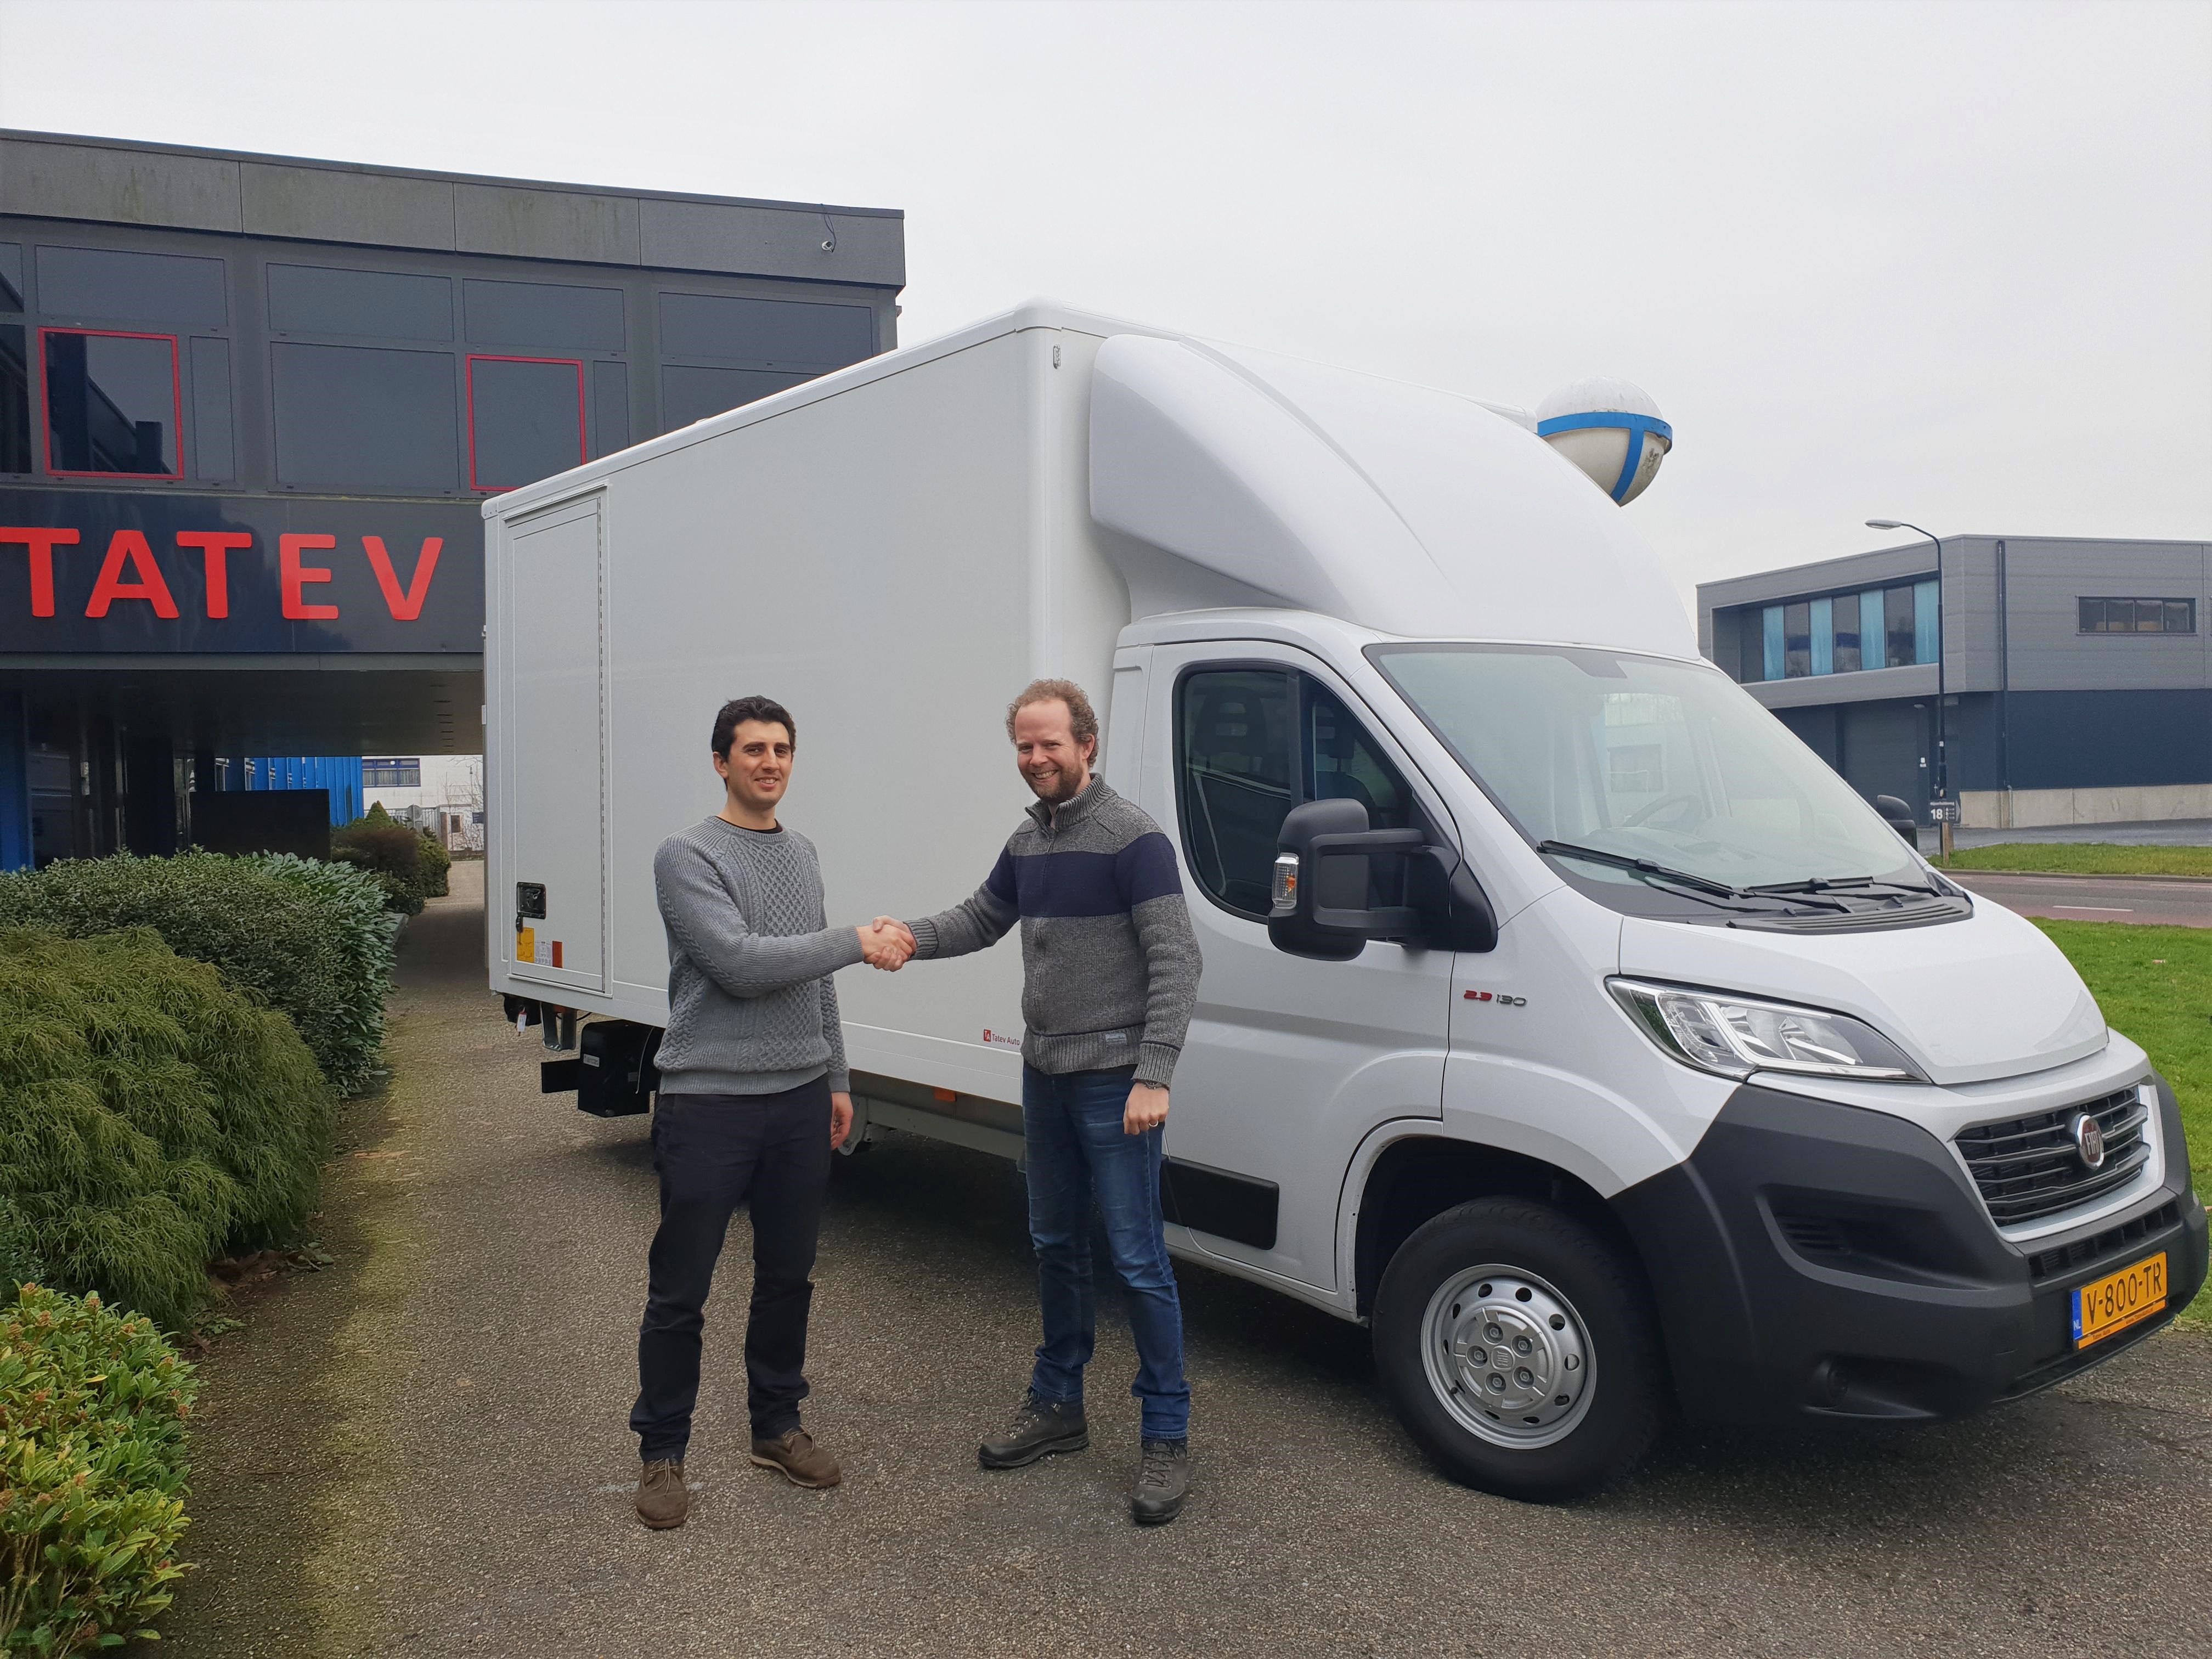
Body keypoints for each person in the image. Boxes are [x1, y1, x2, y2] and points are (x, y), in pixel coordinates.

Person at [877, 678, 1203, 1525]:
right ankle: (1059, 1405)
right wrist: (911, 937)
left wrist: (1154, 1074)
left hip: (1115, 1081)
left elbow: (1178, 960)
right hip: (1045, 1076)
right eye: (1024, 746)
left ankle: (1166, 1433)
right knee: (1055, 1243)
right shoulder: (1029, 840)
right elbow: (983, 917)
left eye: (1050, 743)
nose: (1035, 758)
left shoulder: (1134, 839)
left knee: (1137, 1259)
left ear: (1086, 744)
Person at [630, 694, 912, 1531]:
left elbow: (811, 976)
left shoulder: (803, 853)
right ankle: (662, 1451)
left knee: (788, 1277)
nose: (770, 763)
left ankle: (777, 1427)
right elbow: (741, 964)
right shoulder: (687, 854)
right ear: (722, 762)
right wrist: (857, 939)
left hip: (798, 1100)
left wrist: (837, 1076)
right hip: (708, 1100)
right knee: (681, 1290)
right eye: (753, 749)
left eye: (782, 749)